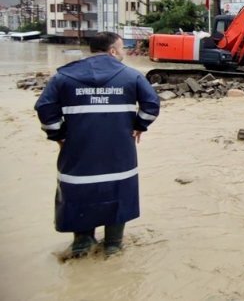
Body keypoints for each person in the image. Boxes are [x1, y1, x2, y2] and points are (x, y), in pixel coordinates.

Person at [34, 32, 160, 258]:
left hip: (77, 151)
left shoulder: (63, 78)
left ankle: (82, 243)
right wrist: (140, 125)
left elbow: (44, 108)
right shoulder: (131, 76)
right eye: (122, 48)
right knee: (118, 188)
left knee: (79, 190)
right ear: (112, 50)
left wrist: (59, 136)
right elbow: (151, 104)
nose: (124, 53)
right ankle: (113, 244)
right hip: (119, 150)